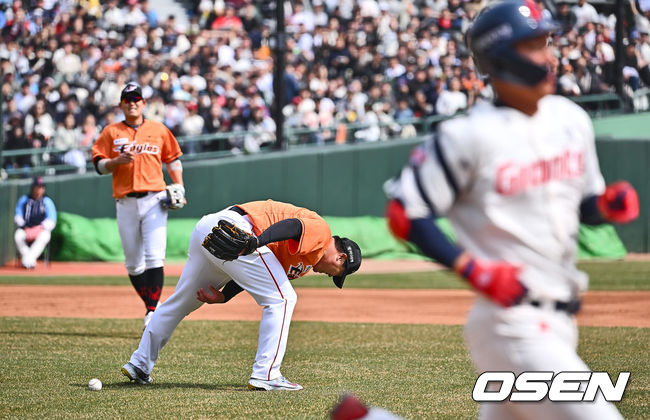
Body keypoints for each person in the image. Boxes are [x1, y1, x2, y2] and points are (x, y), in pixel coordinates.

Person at [383, 2, 637, 419]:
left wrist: (605, 207)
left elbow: (582, 206)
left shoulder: (571, 119)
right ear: (501, 56)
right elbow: (404, 213)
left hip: (562, 320)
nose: (550, 57)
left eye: (548, 43)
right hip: (511, 323)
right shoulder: (467, 134)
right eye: (535, 46)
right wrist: (473, 270)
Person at [121, 200, 362, 391]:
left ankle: (139, 365)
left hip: (212, 230)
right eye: (337, 273)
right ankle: (267, 375)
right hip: (239, 229)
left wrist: (225, 296)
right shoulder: (322, 233)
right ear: (340, 258)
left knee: (180, 303)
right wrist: (257, 241)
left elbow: (257, 274)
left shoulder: (305, 263)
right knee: (283, 299)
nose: (330, 275)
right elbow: (293, 225)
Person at [91, 83, 186, 329]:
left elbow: (173, 160)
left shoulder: (159, 130)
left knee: (155, 257)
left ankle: (152, 311)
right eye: (127, 99)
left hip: (155, 199)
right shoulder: (111, 132)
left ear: (143, 103)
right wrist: (115, 162)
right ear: (121, 104)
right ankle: (153, 306)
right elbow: (98, 165)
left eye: (136, 98)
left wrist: (180, 187)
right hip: (125, 202)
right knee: (133, 264)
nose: (132, 102)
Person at [14, 177, 57, 269]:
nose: (39, 189)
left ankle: (28, 260)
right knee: (18, 236)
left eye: (41, 187)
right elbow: (18, 216)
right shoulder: (24, 200)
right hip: (26, 229)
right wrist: (25, 227)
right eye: (37, 187)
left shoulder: (47, 201)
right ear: (32, 188)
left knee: (45, 236)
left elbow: (52, 220)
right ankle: (29, 260)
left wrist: (39, 228)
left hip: (40, 230)